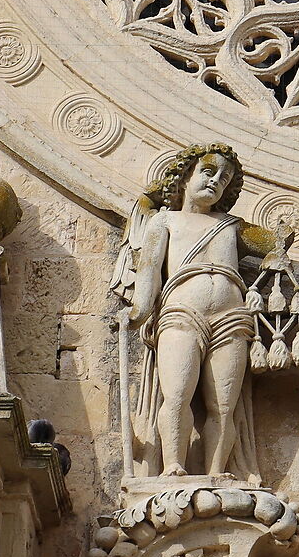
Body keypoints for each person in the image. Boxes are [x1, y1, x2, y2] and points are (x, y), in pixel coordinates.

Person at [112, 145, 262, 480]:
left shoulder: (231, 225)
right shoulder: (165, 221)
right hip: (181, 312)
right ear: (185, 177)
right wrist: (136, 313)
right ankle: (173, 465)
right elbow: (149, 272)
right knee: (177, 394)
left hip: (231, 317)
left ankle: (215, 471)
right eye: (208, 172)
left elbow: (274, 243)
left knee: (223, 406)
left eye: (224, 179)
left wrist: (278, 243)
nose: (215, 182)